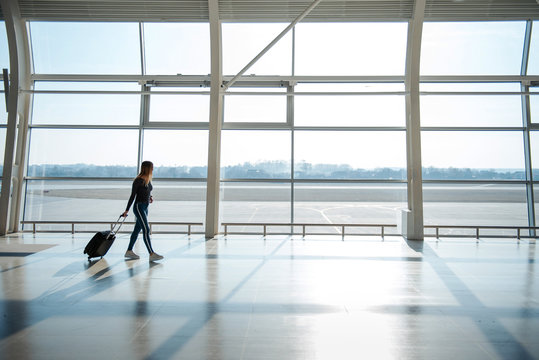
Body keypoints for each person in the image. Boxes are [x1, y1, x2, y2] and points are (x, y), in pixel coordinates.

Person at [122, 161, 163, 261]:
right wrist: (126, 210)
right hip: (139, 207)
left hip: (145, 207)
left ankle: (129, 251)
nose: (153, 169)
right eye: (152, 167)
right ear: (147, 168)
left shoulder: (148, 180)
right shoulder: (138, 180)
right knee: (146, 230)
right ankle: (151, 253)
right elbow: (132, 196)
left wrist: (150, 197)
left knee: (137, 230)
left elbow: (147, 191)